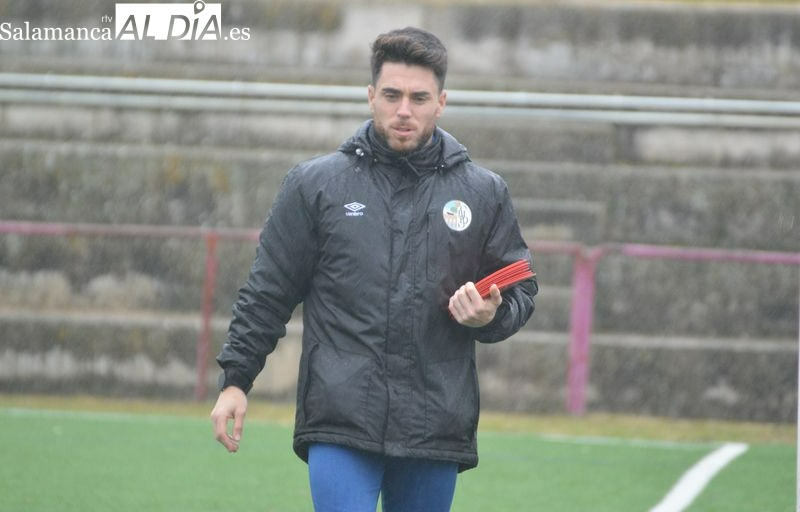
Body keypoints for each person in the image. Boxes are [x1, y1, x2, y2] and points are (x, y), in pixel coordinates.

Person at [210, 26, 538, 512]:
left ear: (441, 102)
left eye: (418, 98)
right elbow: (268, 292)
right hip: (341, 421)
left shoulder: (483, 192)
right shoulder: (315, 185)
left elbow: (520, 289)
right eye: (391, 95)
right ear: (370, 96)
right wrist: (236, 379)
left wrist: (490, 316)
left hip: (434, 425)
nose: (404, 110)